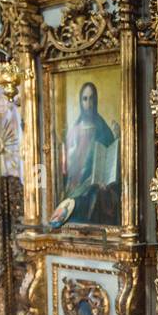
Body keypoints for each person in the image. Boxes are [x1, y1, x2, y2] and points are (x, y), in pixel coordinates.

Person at [60, 81, 120, 224]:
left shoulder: (103, 129)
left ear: (96, 100)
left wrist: (117, 138)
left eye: (92, 98)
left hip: (97, 190)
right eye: (85, 99)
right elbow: (67, 167)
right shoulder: (74, 131)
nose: (89, 103)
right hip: (75, 189)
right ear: (81, 102)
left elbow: (111, 160)